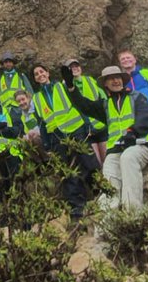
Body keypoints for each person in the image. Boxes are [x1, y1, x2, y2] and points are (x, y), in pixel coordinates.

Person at [67, 65, 148, 210]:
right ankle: (106, 224)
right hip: (116, 149)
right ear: (105, 84)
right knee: (108, 173)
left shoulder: (137, 97)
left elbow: (146, 119)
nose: (116, 81)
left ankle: (132, 214)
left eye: (118, 78)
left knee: (128, 158)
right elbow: (84, 105)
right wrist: (71, 88)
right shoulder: (105, 105)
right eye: (111, 79)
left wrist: (132, 132)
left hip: (142, 144)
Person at [30, 60, 100, 218]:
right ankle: (77, 208)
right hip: (57, 139)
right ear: (34, 79)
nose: (40, 75)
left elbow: (78, 103)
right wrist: (47, 145)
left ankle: (99, 194)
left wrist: (88, 125)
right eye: (36, 74)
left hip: (76, 130)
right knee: (68, 172)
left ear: (48, 73)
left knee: (88, 162)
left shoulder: (62, 86)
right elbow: (42, 122)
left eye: (42, 72)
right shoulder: (37, 98)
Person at [61, 57, 108, 163]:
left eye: (76, 66)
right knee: (96, 163)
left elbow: (103, 97)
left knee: (108, 159)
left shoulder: (90, 80)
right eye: (71, 67)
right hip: (84, 130)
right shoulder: (63, 87)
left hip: (100, 126)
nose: (74, 68)